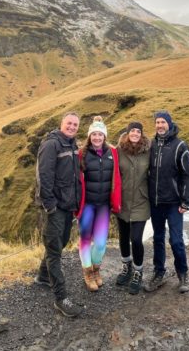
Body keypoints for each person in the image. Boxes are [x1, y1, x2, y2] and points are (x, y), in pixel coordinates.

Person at [34, 111, 83, 317]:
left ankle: (43, 276)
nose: (72, 127)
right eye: (69, 123)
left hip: (66, 206)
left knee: (60, 243)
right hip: (54, 207)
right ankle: (61, 298)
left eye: (75, 124)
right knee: (55, 251)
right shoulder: (51, 144)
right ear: (61, 124)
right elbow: (44, 176)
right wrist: (50, 205)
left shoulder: (71, 145)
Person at [145, 110, 189, 294]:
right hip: (156, 203)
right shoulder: (151, 145)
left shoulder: (180, 146)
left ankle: (182, 274)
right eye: (157, 122)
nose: (160, 125)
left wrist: (186, 201)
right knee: (158, 239)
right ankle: (159, 273)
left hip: (174, 203)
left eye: (163, 122)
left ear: (169, 123)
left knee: (176, 240)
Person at [77, 116, 121, 292]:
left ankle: (96, 270)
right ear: (89, 136)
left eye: (100, 134)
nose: (97, 138)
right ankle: (87, 272)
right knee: (85, 239)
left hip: (103, 205)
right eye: (94, 134)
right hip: (87, 205)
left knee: (101, 242)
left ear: (104, 136)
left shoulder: (113, 153)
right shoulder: (82, 154)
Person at [115, 121, 151, 295]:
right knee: (123, 237)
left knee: (136, 239)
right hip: (122, 201)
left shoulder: (148, 151)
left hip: (141, 201)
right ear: (127, 133)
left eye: (138, 131)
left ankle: (138, 271)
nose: (135, 133)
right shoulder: (119, 151)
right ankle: (126, 267)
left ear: (142, 134)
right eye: (132, 131)